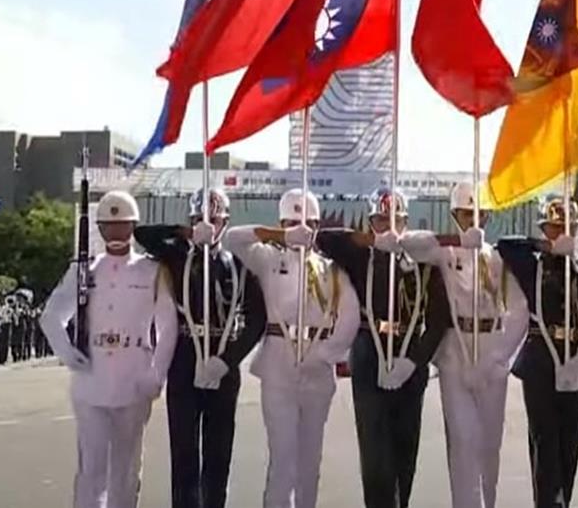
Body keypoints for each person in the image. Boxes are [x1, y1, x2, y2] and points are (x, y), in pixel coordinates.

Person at [41, 190, 177, 508]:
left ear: (133, 227)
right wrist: (66, 353)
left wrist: (157, 374)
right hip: (92, 378)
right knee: (91, 469)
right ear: (99, 228)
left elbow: (168, 325)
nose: (115, 232)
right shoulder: (84, 270)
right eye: (108, 225)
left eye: (123, 225)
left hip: (134, 377)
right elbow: (51, 316)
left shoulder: (151, 270)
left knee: (126, 470)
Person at [133, 188, 268, 508]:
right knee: (184, 451)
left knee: (219, 452)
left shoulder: (237, 264)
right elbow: (142, 235)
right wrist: (184, 233)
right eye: (198, 219)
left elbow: (257, 319)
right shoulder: (178, 256)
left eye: (214, 220)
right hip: (184, 357)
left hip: (222, 357)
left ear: (225, 222)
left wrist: (229, 360)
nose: (207, 225)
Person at [316, 188, 450, 508]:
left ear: (406, 222)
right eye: (380, 220)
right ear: (370, 222)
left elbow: (439, 318)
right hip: (370, 350)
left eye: (396, 220)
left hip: (410, 351)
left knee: (406, 447)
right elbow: (324, 239)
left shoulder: (423, 260)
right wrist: (373, 242)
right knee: (375, 450)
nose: (389, 226)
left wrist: (415, 360)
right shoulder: (362, 255)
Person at [397, 182, 528, 508]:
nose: (474, 220)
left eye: (479, 214)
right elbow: (408, 243)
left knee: (490, 445)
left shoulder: (496, 258)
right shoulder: (444, 252)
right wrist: (456, 240)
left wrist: (499, 356)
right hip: (455, 352)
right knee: (462, 441)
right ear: (454, 214)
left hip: (492, 350)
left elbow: (520, 309)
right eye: (467, 214)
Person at [225, 188, 358, 508]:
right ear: (282, 223)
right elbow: (232, 239)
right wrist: (280, 236)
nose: (303, 229)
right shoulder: (268, 259)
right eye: (293, 222)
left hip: (318, 368)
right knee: (283, 457)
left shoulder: (331, 269)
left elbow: (350, 314)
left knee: (310, 460)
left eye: (310, 223)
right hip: (279, 365)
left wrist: (329, 353)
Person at [495, 196, 578, 508]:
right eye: (554, 227)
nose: (563, 231)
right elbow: (505, 245)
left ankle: (561, 501)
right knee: (545, 445)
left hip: (577, 362)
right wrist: (545, 247)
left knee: (570, 447)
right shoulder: (533, 265)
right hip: (542, 361)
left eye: (568, 226)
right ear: (544, 229)